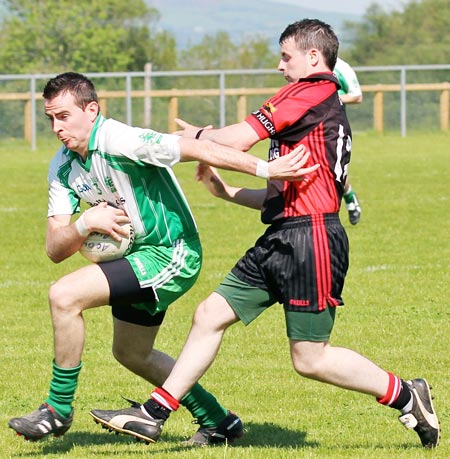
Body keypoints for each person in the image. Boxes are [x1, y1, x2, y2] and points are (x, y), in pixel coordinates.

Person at [89, 19, 440, 449]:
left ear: (313, 57)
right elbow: (281, 196)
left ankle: (407, 394)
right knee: (209, 315)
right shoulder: (316, 111)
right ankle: (154, 413)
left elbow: (237, 139)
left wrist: (188, 138)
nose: (280, 65)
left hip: (309, 242)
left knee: (310, 358)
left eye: (286, 56)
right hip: (285, 236)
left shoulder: (310, 91)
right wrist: (227, 191)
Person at [7, 72, 316, 446]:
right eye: (50, 118)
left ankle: (56, 409)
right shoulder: (62, 166)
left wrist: (266, 169)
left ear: (92, 110)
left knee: (64, 295)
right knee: (131, 352)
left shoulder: (121, 139)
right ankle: (220, 422)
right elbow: (55, 248)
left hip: (172, 253)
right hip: (136, 257)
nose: (56, 127)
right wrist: (86, 223)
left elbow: (195, 149)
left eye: (64, 116)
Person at [333, 57, 363, 225]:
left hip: (334, 126)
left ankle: (350, 198)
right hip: (307, 125)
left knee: (334, 170)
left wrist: (330, 97)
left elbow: (357, 96)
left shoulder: (341, 67)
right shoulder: (303, 63)